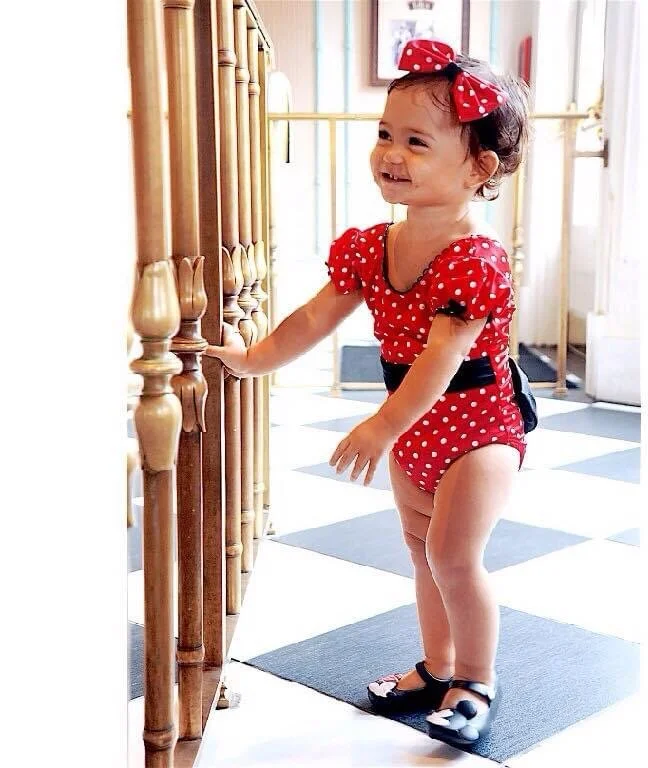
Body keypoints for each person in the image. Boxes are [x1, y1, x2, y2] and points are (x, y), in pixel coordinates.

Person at [205, 38, 530, 747]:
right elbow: (316, 316)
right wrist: (254, 358)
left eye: (417, 141)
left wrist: (381, 426)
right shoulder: (369, 247)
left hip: (476, 426)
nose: (391, 152)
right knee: (421, 553)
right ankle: (437, 666)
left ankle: (475, 678)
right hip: (414, 424)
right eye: (385, 134)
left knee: (453, 556)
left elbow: (444, 359)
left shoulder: (476, 260)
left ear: (479, 168)